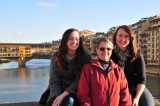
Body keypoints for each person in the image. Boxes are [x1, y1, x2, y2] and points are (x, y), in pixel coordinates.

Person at [77, 37, 132, 106]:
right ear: (97, 50)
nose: (105, 51)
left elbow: (125, 95)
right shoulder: (88, 69)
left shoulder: (118, 70)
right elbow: (83, 95)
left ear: (112, 51)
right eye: (102, 49)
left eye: (108, 49)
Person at [111, 25, 154, 106]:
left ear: (130, 39)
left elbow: (142, 79)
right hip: (117, 89)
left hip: (135, 88)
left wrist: (137, 98)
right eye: (120, 35)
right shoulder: (110, 54)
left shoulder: (137, 54)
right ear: (115, 37)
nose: (123, 39)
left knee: (148, 104)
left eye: (126, 36)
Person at [46, 28, 91, 106]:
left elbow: (79, 81)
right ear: (65, 40)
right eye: (71, 39)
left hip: (75, 92)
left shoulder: (85, 57)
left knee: (68, 102)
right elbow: (54, 80)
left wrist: (63, 96)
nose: (74, 42)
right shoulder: (56, 56)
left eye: (77, 39)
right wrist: (57, 97)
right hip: (56, 91)